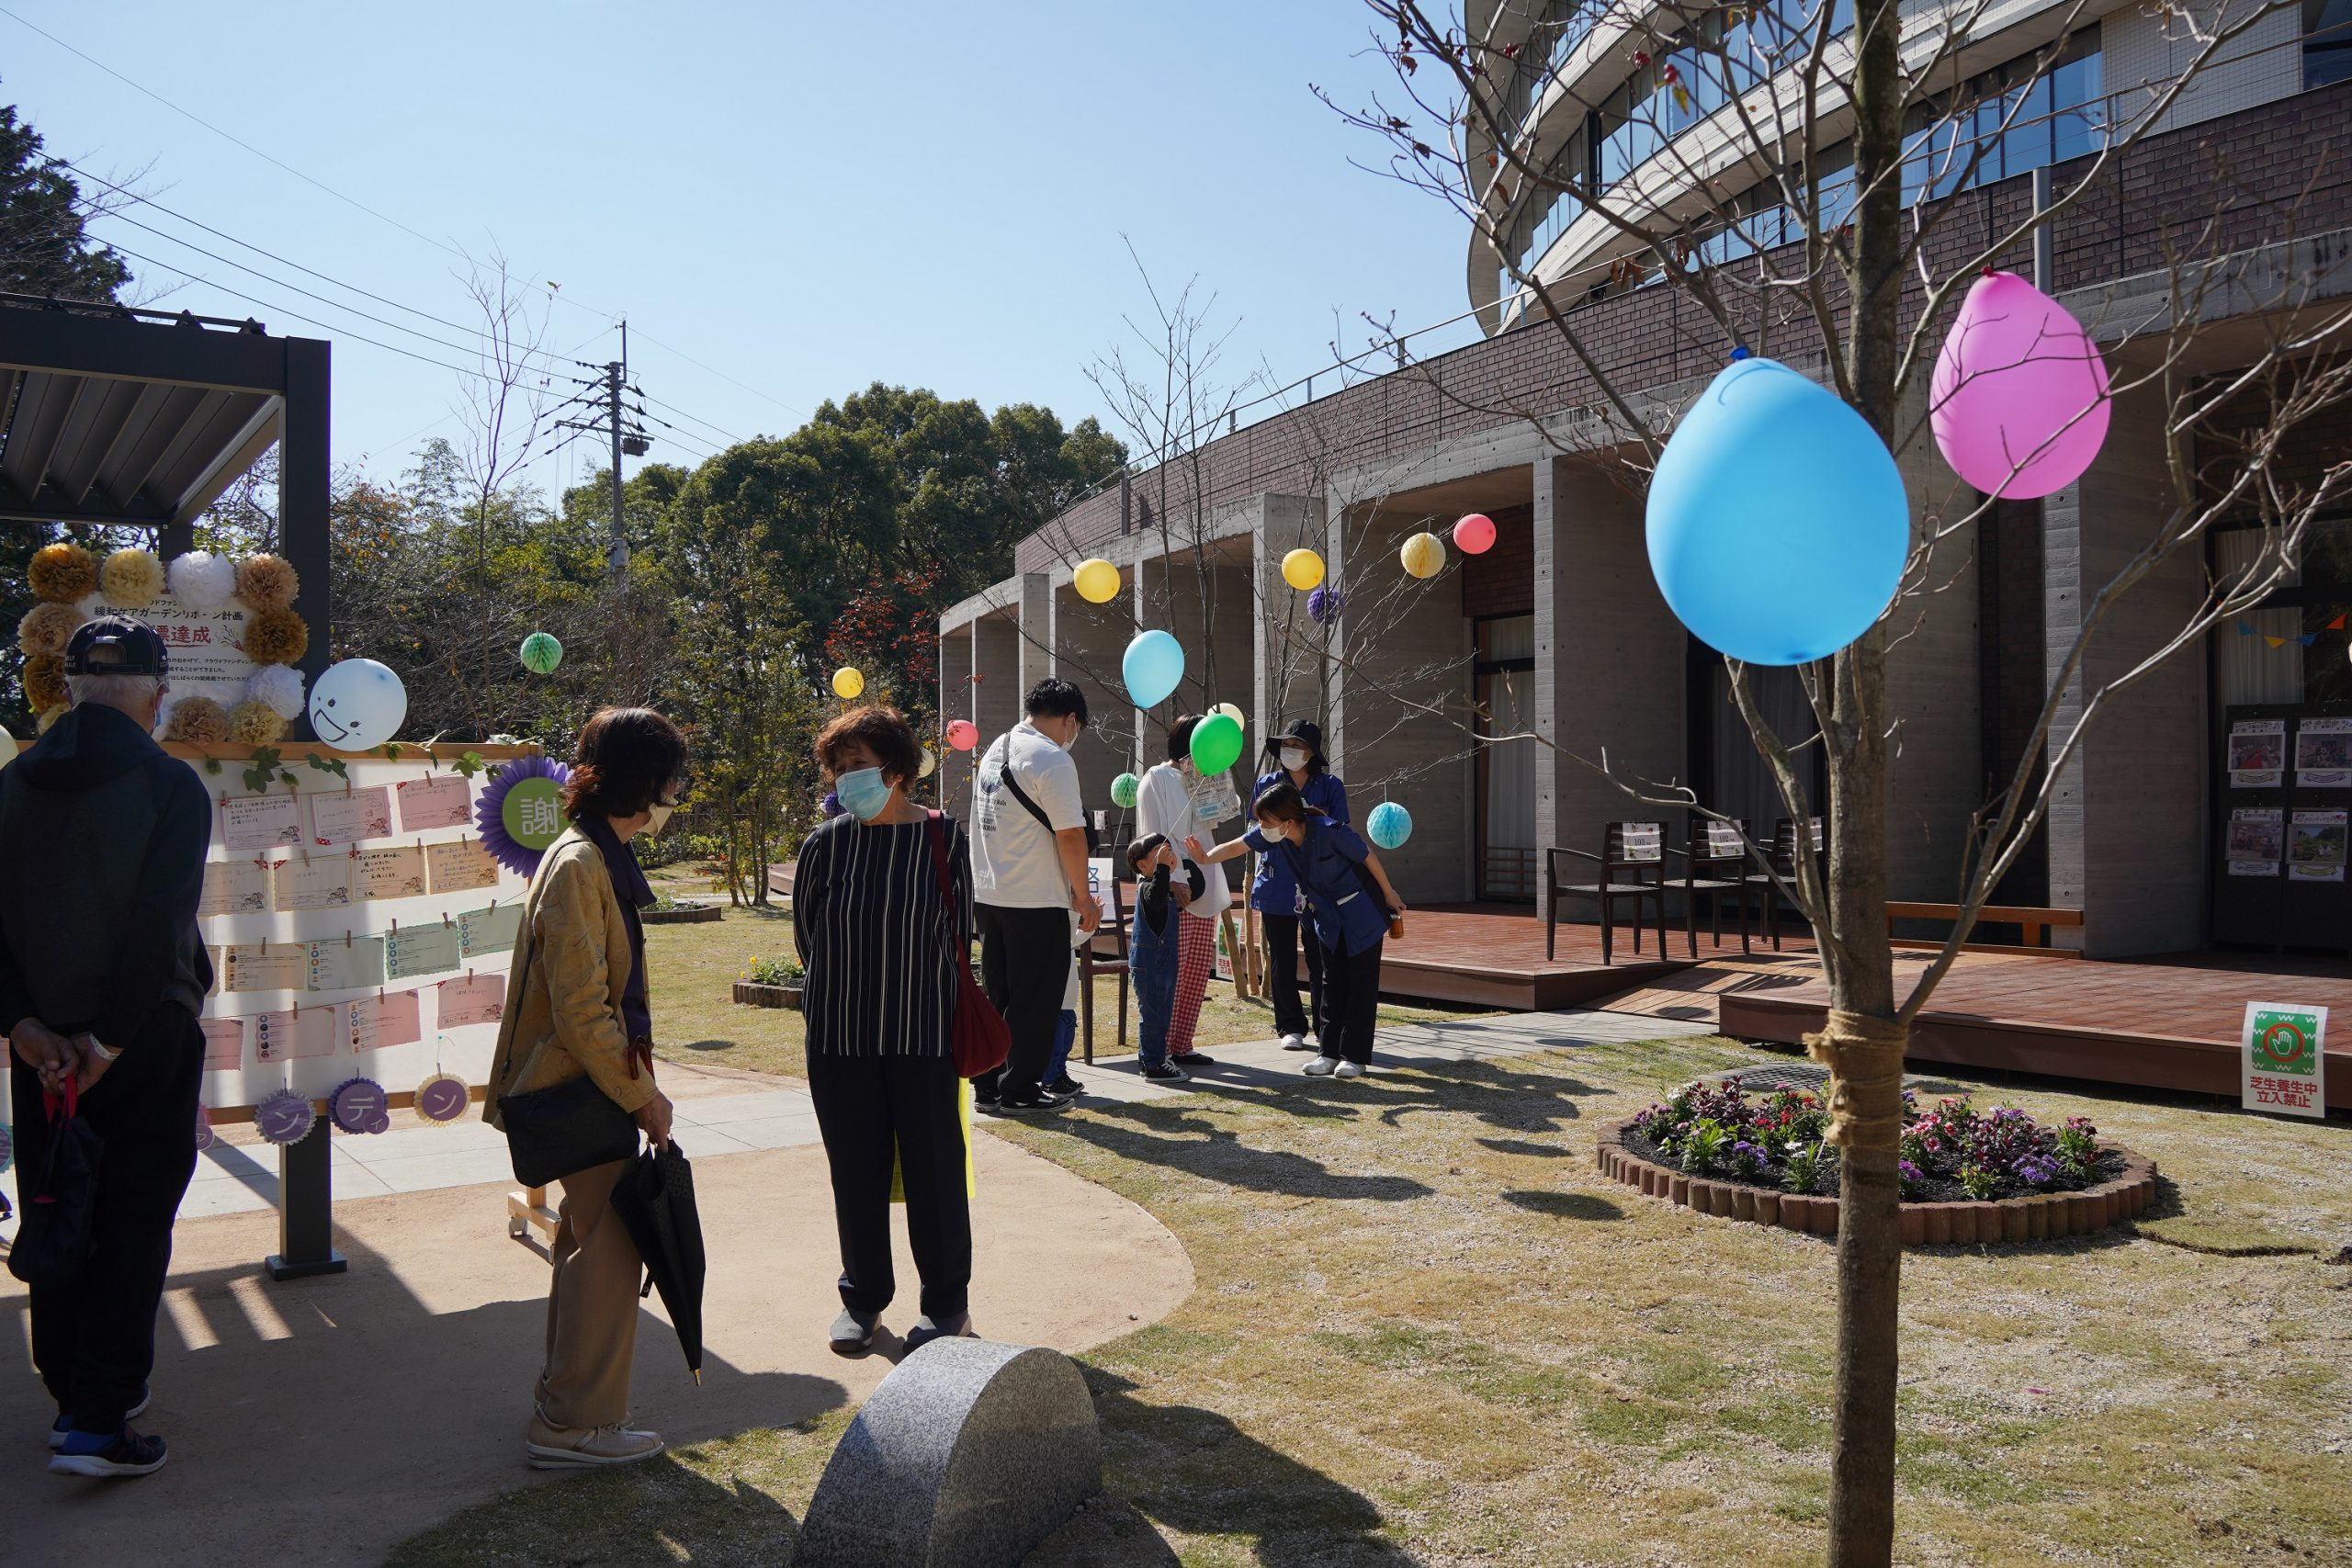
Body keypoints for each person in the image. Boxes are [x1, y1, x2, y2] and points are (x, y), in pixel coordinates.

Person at [2, 617, 209, 1479]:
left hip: (41, 1045)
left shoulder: (10, 784)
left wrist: (26, 1027)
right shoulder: (169, 784)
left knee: (59, 1203)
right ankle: (100, 1416)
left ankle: (68, 1395)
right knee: (131, 1216)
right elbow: (156, 927)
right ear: (154, 694)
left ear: (73, 688)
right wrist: (108, 1040)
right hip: (141, 1038)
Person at [485, 706, 686, 1470]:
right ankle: (575, 1423)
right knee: (609, 1248)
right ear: (647, 782)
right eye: (671, 778)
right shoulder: (580, 863)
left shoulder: (592, 856)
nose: (675, 794)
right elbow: (582, 1008)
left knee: (586, 1240)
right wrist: (643, 1094)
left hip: (593, 1082)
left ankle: (565, 1401)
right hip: (584, 1087)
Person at [796, 705, 976, 1354]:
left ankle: (947, 1305)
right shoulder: (825, 844)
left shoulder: (943, 838)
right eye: (839, 769)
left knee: (936, 1173)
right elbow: (807, 939)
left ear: (897, 770)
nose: (848, 780)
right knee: (856, 1173)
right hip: (840, 1038)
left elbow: (961, 930)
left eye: (859, 766)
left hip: (922, 1034)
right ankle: (864, 1299)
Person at [1192, 780, 1406, 1078]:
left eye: (1266, 820)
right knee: (1331, 983)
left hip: (1361, 913)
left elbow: (1367, 855)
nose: (1262, 826)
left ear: (1288, 821)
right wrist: (1205, 858)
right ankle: (1328, 1054)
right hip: (1328, 917)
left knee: (1361, 985)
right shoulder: (1275, 835)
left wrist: (1389, 893)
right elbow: (1238, 845)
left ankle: (1354, 1057)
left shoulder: (1330, 830)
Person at [969, 679, 1099, 1112]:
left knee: (999, 997)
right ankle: (1020, 1091)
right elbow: (1071, 835)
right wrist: (1084, 898)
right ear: (1069, 719)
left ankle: (988, 1086)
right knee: (1036, 1001)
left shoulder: (996, 749)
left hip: (991, 893)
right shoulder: (1051, 758)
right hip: (1036, 897)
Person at [1250, 719, 1349, 1053]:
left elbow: (1341, 833)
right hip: (1277, 881)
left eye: (1296, 746)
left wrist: (1316, 817)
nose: (1289, 751)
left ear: (1312, 753)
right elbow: (1258, 830)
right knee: (1281, 957)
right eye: (1284, 745)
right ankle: (1290, 1026)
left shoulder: (1331, 786)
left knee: (1321, 958)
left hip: (1318, 885)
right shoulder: (1267, 783)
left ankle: (1326, 1026)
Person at [1134, 716, 1227, 1069]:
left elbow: (1215, 819)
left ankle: (1182, 1043)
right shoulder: (1155, 779)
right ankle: (1161, 1046)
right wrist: (1169, 879)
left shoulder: (1202, 777)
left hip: (1206, 879)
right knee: (1172, 968)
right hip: (1174, 886)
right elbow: (1151, 837)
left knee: (1197, 970)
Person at [1125, 832, 1204, 1083]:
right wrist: (1162, 867)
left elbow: (1197, 888)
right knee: (1154, 1014)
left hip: (1163, 962)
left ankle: (1149, 1057)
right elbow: (1156, 897)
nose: (1167, 854)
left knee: (1160, 1013)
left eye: (1168, 849)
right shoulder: (1150, 887)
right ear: (1142, 865)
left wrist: (1186, 863)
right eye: (1160, 851)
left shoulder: (1164, 885)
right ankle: (1154, 1063)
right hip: (1151, 964)